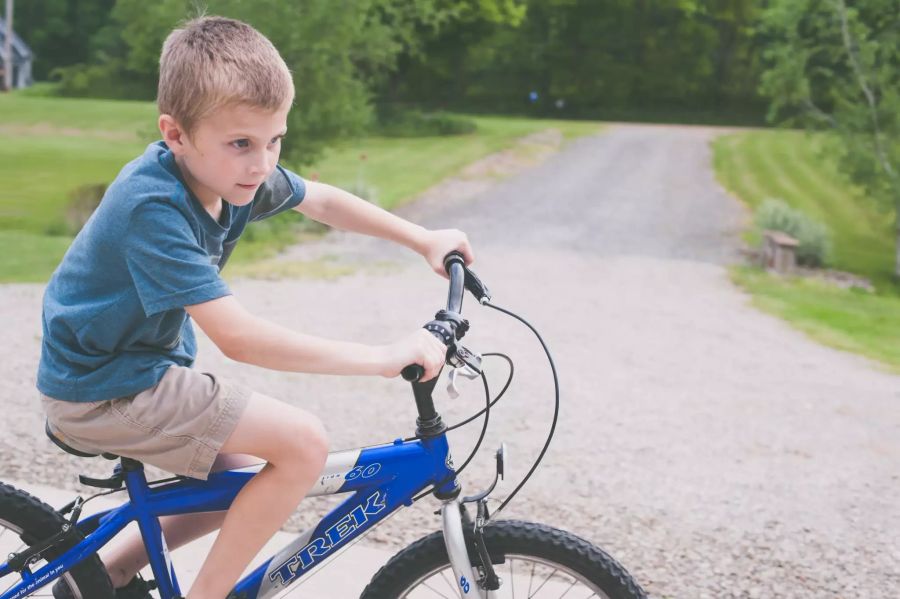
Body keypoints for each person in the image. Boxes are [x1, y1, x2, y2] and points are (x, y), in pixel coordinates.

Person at [37, 15, 472, 599]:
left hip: (133, 370)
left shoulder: (226, 175)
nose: (262, 163)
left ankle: (100, 575)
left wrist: (422, 239)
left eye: (275, 140)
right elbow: (239, 338)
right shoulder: (154, 209)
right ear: (176, 133)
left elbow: (319, 200)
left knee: (240, 478)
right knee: (301, 444)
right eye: (242, 142)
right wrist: (384, 356)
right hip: (103, 387)